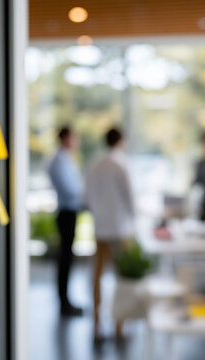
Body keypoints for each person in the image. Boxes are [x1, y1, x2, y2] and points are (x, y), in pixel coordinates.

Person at [85, 128, 136, 339]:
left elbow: (86, 195)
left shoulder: (94, 163)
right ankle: (119, 324)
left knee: (97, 276)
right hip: (120, 229)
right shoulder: (121, 163)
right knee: (121, 278)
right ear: (121, 141)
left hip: (101, 227)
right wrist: (135, 221)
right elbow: (130, 197)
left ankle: (96, 321)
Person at [47, 127, 84, 316]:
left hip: (70, 210)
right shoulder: (60, 160)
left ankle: (66, 301)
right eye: (74, 137)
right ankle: (64, 302)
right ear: (66, 138)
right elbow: (71, 189)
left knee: (67, 258)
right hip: (66, 211)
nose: (76, 141)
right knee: (65, 258)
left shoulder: (66, 159)